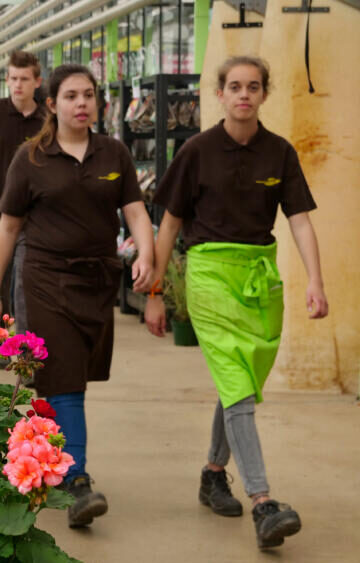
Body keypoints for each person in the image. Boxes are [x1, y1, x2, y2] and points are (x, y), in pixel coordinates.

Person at [144, 56, 328, 549]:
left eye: (253, 86)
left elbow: (301, 220)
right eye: (234, 86)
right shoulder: (197, 151)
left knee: (240, 382)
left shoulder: (280, 153)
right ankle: (263, 501)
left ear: (264, 94)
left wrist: (315, 281)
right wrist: (156, 294)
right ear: (219, 94)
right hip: (208, 276)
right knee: (238, 387)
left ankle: (211, 472)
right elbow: (169, 225)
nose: (243, 94)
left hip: (259, 279)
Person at [0, 64, 155, 529]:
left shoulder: (113, 153)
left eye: (89, 95)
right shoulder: (32, 158)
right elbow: (8, 228)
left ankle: (39, 460)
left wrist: (146, 253)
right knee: (66, 380)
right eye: (72, 96)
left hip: (97, 280)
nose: (82, 103)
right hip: (43, 279)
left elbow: (136, 212)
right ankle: (76, 479)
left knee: (67, 377)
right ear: (53, 104)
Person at [0, 51, 46, 334]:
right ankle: (0, 347)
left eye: (25, 79)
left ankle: (26, 347)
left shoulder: (47, 117)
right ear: (6, 79)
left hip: (33, 215)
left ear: (37, 82)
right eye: (13, 78)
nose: (18, 84)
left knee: (25, 282)